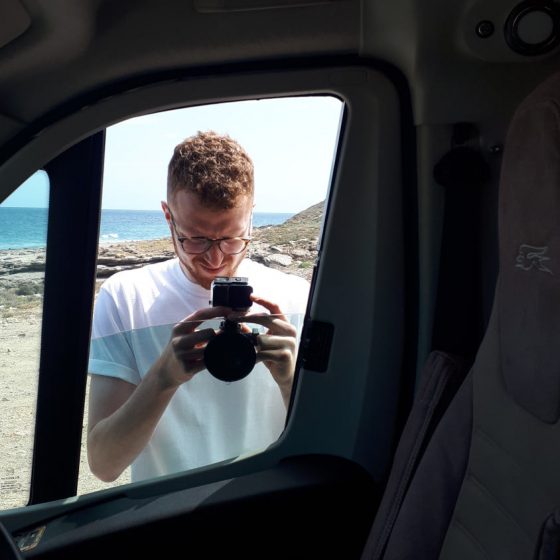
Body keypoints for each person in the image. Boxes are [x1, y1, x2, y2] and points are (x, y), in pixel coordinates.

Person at [87, 131, 310, 483]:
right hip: (168, 519)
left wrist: (292, 381)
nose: (215, 258)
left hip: (267, 508)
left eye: (231, 238)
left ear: (252, 216)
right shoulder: (124, 298)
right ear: (167, 216)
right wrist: (162, 379)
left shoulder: (299, 300)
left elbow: (323, 451)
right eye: (196, 238)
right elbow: (103, 464)